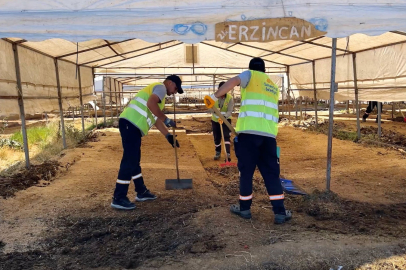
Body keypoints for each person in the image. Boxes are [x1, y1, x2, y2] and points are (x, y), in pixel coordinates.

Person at [205, 57, 292, 224]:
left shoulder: (250, 75)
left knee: (246, 173)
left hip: (249, 136)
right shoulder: (273, 86)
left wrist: (215, 96)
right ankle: (280, 212)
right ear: (264, 70)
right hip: (268, 137)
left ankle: (245, 209)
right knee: (271, 174)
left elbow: (234, 81)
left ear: (251, 69)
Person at [111, 75, 183, 210]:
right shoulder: (161, 88)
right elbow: (151, 105)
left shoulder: (159, 97)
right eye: (175, 88)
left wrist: (168, 136)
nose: (174, 92)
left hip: (132, 126)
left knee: (134, 160)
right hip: (130, 124)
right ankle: (119, 197)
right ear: (169, 82)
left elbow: (155, 118)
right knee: (129, 161)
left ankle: (141, 191)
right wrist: (166, 119)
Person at [210, 81, 235, 161]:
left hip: (226, 120)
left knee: (226, 136)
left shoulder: (230, 98)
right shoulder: (213, 97)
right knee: (217, 137)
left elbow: (230, 110)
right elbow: (209, 107)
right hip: (215, 121)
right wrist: (215, 111)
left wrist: (224, 117)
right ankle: (218, 152)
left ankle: (227, 153)